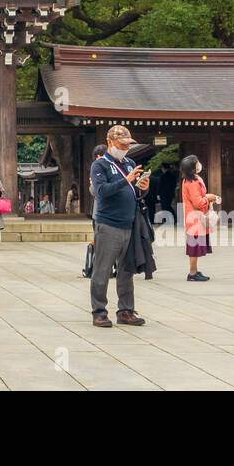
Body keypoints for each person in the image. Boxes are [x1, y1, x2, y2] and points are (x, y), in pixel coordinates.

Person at [88, 126, 146, 327]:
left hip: (129, 223)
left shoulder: (130, 163)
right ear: (110, 142)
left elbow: (133, 192)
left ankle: (126, 310)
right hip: (108, 224)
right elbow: (102, 191)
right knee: (102, 269)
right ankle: (99, 311)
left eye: (127, 145)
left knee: (126, 270)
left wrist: (140, 188)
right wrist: (126, 180)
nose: (125, 148)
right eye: (122, 145)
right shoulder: (100, 165)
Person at [180, 154, 217, 282]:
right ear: (193, 168)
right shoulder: (193, 182)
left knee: (194, 245)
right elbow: (197, 203)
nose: (199, 164)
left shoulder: (190, 180)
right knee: (194, 246)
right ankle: (192, 273)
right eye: (197, 163)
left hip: (193, 217)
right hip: (195, 218)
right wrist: (208, 197)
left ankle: (194, 271)